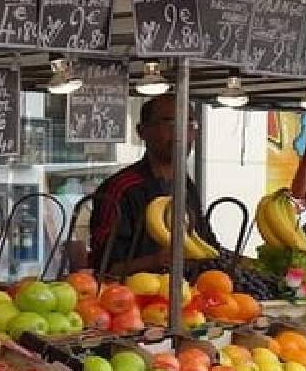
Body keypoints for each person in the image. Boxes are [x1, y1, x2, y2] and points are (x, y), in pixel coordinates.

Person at [87, 96, 222, 275]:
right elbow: (104, 267)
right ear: (142, 131)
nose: (181, 133)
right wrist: (156, 261)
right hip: (133, 292)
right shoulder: (121, 189)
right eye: (170, 123)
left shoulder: (186, 186)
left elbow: (207, 245)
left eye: (190, 123)